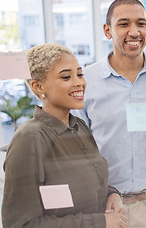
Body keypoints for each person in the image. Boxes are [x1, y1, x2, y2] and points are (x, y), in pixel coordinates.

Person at [71, 0, 146, 228]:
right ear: (107, 31)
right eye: (123, 24)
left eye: (140, 23)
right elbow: (76, 147)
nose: (134, 31)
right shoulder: (86, 81)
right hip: (106, 207)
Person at [1, 43, 127, 228]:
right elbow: (20, 224)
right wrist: (100, 222)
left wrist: (112, 194)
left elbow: (88, 182)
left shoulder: (79, 126)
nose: (79, 82)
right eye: (66, 77)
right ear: (38, 86)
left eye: (80, 74)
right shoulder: (29, 139)